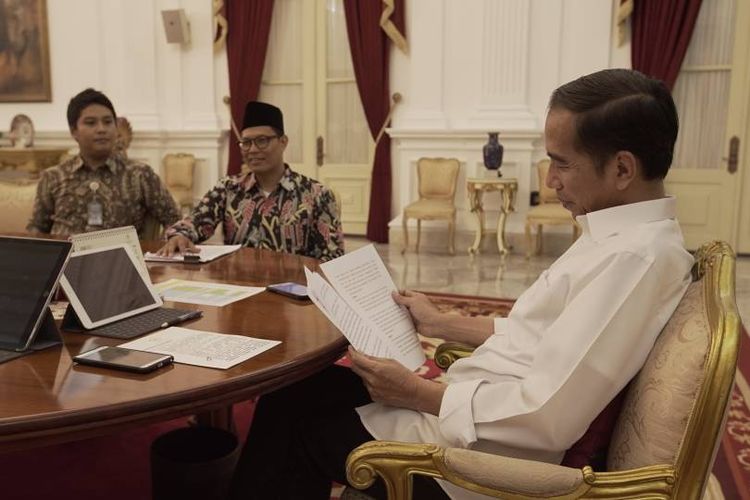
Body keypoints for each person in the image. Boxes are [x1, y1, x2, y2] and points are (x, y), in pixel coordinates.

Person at [227, 68, 694, 500]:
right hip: (472, 406)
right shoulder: (619, 235)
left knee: (294, 421)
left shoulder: (635, 258)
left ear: (622, 170)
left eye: (562, 164)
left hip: (481, 462)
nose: (550, 181)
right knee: (295, 389)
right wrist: (440, 321)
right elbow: (537, 335)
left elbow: (545, 419)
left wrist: (416, 393)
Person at [158, 101, 344, 262]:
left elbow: (332, 258)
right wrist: (179, 236)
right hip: (237, 292)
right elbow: (194, 223)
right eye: (246, 143)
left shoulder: (316, 195)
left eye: (262, 140)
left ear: (283, 142)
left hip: (293, 296)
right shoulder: (228, 189)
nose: (252, 150)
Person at [27, 88, 180, 236]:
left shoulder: (140, 175)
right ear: (74, 131)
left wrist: (176, 238)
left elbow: (175, 220)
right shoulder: (53, 177)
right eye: (91, 123)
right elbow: (37, 229)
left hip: (120, 260)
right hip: (66, 259)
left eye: (107, 122)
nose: (101, 129)